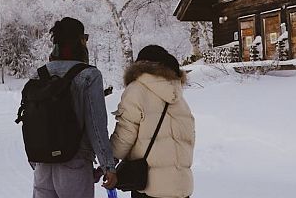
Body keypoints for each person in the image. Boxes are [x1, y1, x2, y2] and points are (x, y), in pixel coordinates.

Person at [32, 17, 117, 198]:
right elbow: (96, 125)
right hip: (74, 162)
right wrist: (107, 166)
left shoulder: (40, 75)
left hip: (43, 165)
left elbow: (33, 121)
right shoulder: (89, 75)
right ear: (79, 41)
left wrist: (35, 159)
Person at [110, 45, 195, 198]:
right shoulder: (179, 97)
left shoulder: (136, 90)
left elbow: (125, 135)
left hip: (150, 186)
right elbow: (189, 139)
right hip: (182, 186)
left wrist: (108, 161)